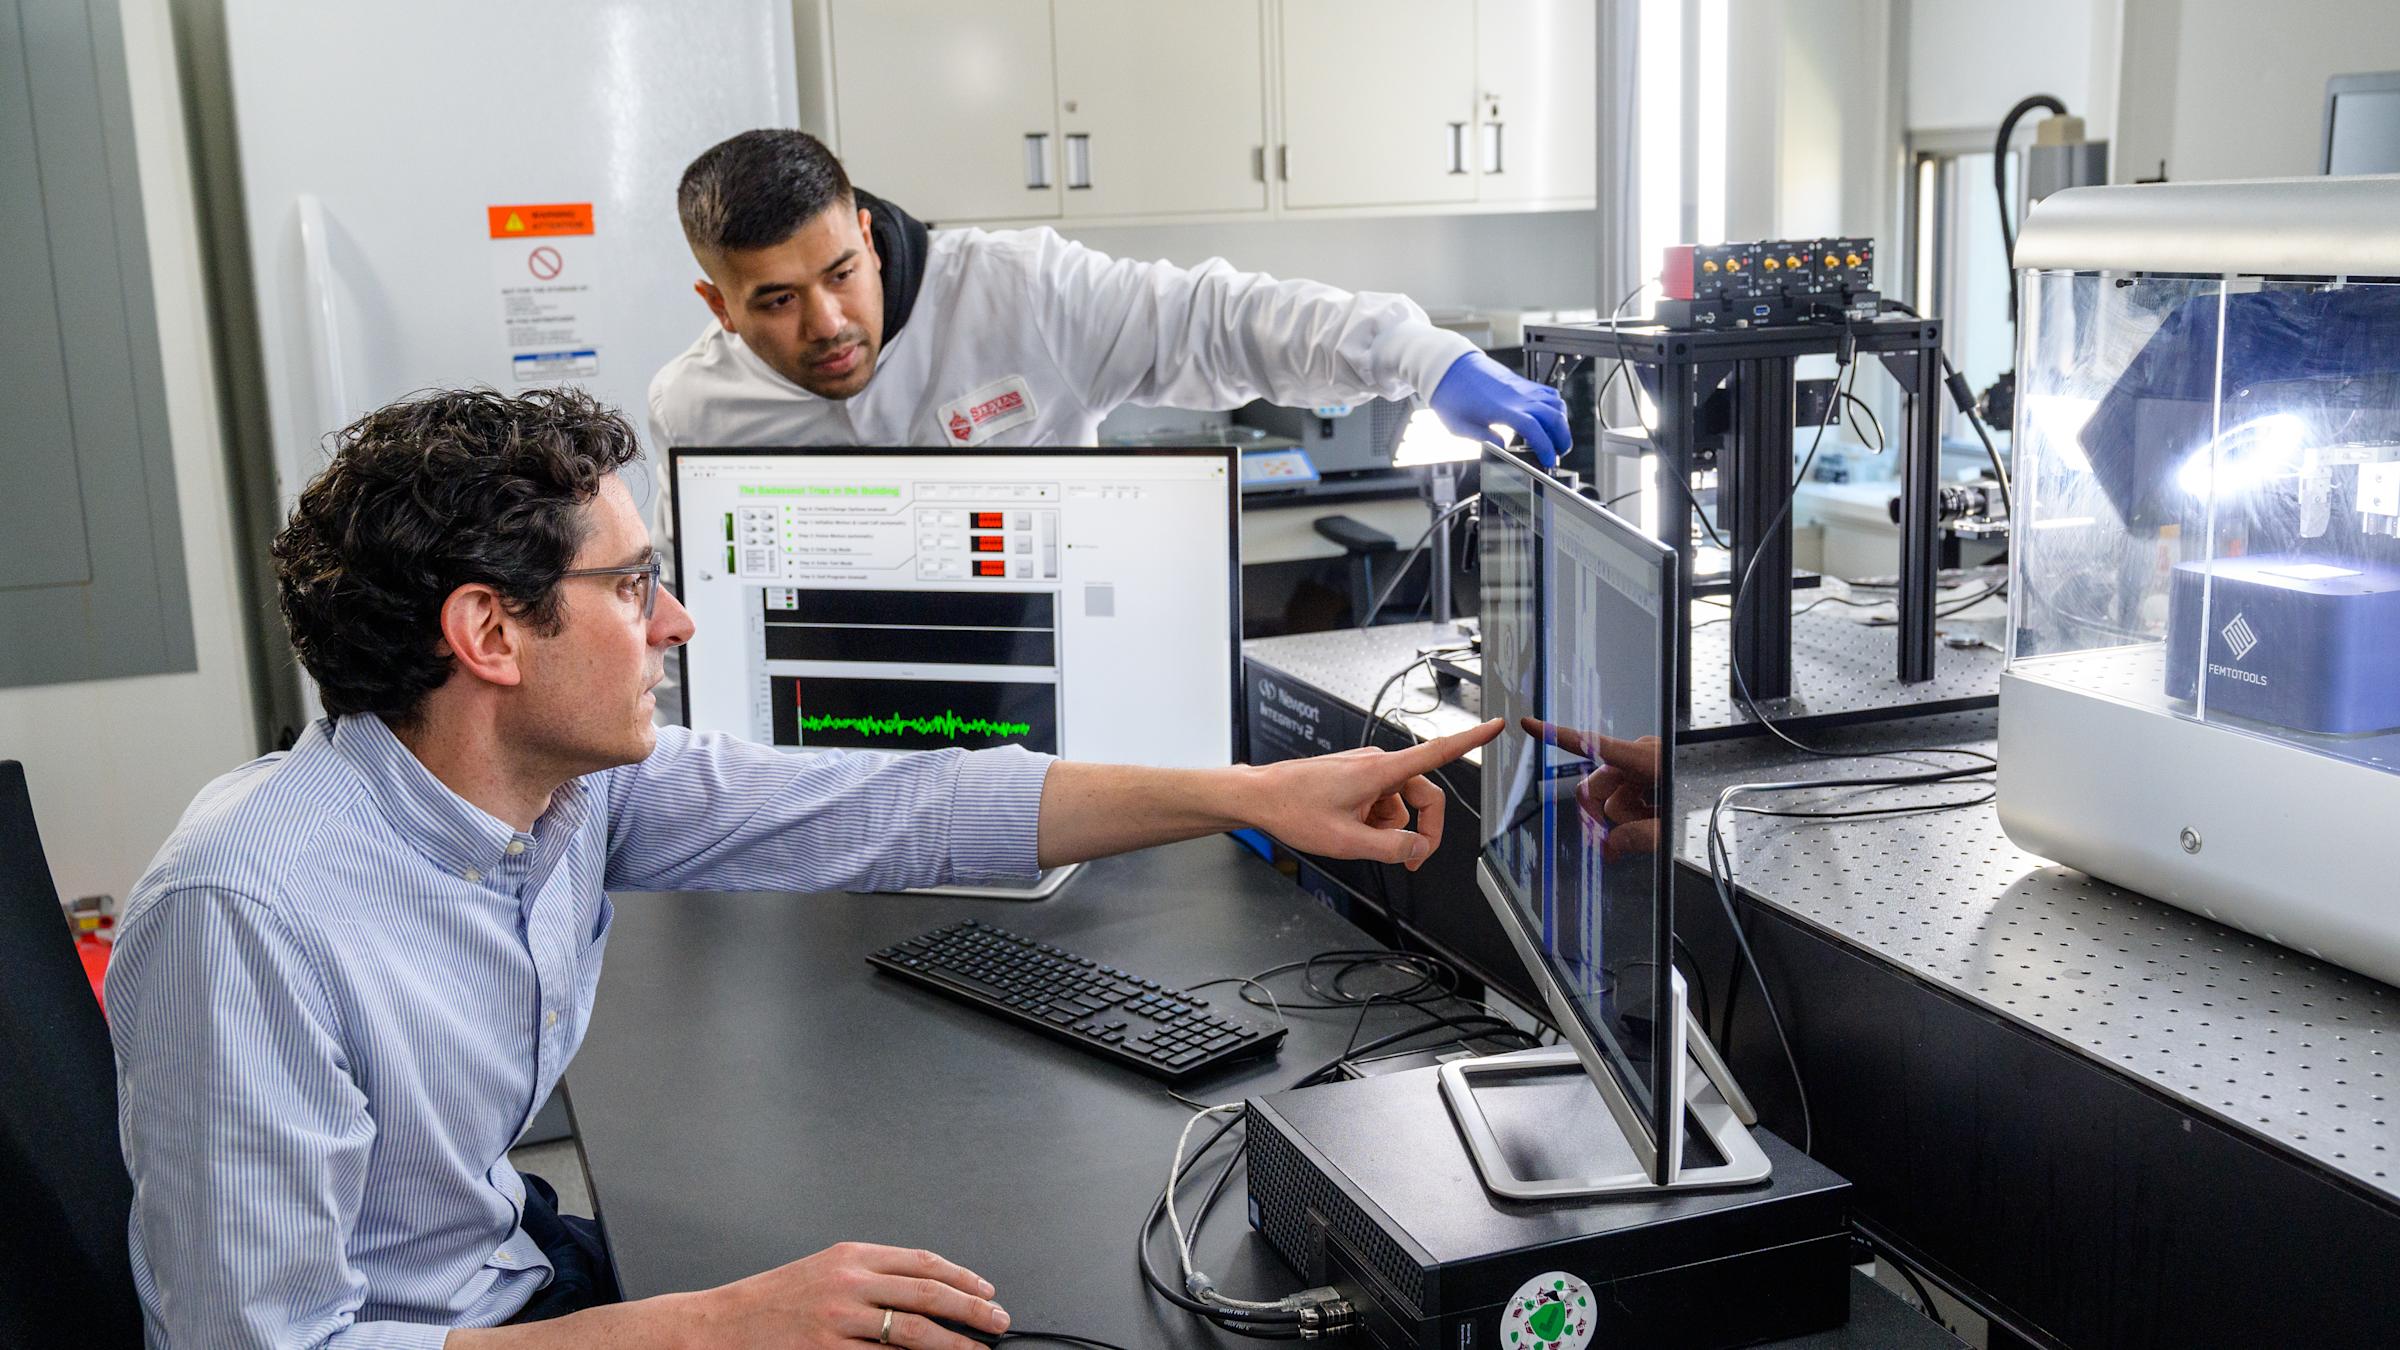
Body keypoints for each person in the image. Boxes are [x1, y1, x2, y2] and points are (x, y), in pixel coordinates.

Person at [108, 387, 1500, 1349]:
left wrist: (1253, 796)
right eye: (631, 584)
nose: (675, 619)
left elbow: (904, 806)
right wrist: (711, 1323)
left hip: (502, 1262)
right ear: (489, 634)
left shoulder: (566, 793)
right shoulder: (248, 916)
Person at [647, 129, 1570, 465]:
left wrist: (1424, 355)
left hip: (1048, 716)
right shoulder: (697, 409)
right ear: (718, 306)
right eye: (777, 301)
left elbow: (1222, 319)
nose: (828, 324)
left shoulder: (1019, 292)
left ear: (863, 232)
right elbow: (684, 622)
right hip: (830, 739)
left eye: (843, 274)